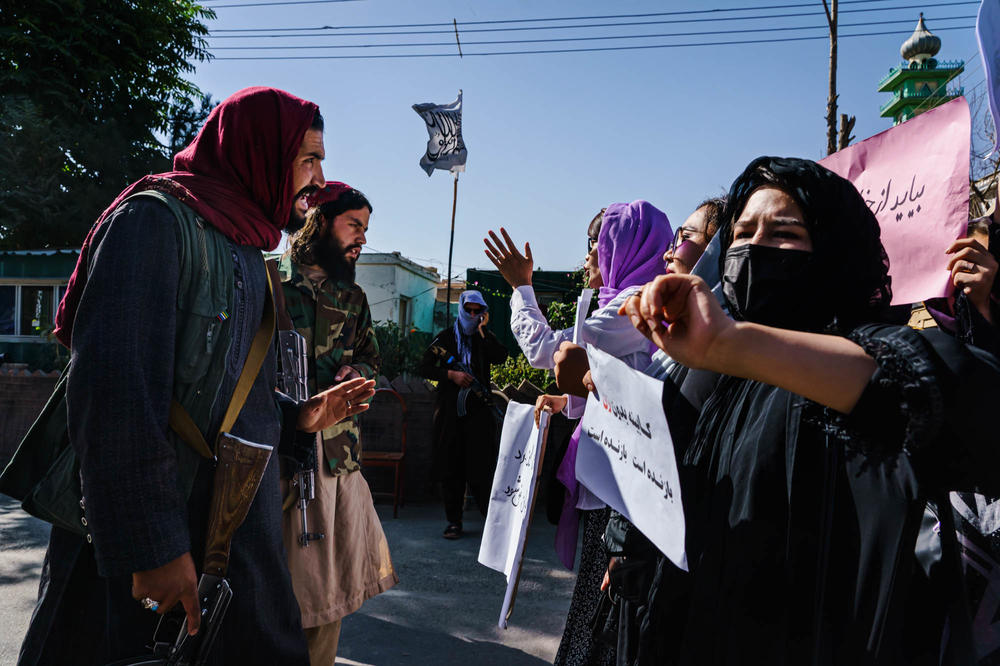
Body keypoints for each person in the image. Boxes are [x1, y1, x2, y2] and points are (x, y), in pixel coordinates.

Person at [17, 87, 376, 665]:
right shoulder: (151, 222)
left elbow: (226, 387)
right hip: (153, 559)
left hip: (235, 547)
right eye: (307, 159)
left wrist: (294, 418)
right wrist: (150, 546)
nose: (317, 179)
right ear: (260, 152)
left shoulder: (245, 245)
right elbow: (114, 396)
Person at [620, 156, 1000, 664]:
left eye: (784, 234)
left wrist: (737, 343)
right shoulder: (718, 374)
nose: (754, 247)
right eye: (742, 232)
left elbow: (945, 396)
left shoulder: (855, 353)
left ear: (833, 249)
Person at [484, 202, 671, 666]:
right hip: (611, 477)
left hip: (620, 487)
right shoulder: (622, 304)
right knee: (597, 605)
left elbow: (548, 350)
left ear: (622, 248)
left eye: (596, 244)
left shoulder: (635, 306)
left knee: (601, 611)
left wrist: (521, 288)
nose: (588, 257)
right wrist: (568, 402)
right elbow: (615, 385)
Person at [278, 181, 397, 664]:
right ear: (321, 222)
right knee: (276, 594)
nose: (362, 239)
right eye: (354, 225)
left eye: (366, 229)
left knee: (328, 599)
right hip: (278, 462)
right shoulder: (267, 285)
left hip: (337, 463)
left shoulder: (353, 297)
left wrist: (358, 373)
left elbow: (370, 357)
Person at [418, 290, 508, 539]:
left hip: (479, 413)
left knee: (482, 466)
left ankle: (490, 522)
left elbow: (501, 357)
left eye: (477, 310)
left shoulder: (484, 337)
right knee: (452, 467)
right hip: (450, 413)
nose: (471, 314)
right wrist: (451, 375)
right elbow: (423, 366)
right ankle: (454, 521)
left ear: (483, 312)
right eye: (468, 309)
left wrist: (482, 331)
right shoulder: (446, 338)